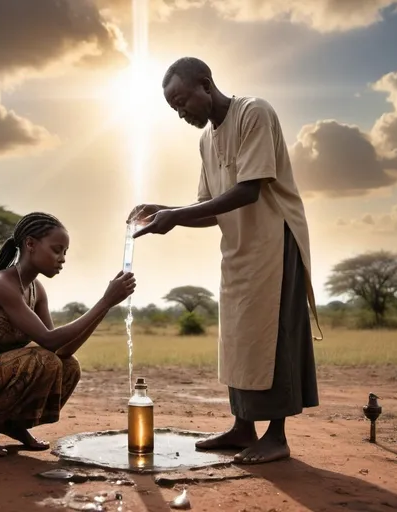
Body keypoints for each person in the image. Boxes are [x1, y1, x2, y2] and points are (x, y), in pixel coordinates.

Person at [128, 57, 322, 465]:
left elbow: (249, 190)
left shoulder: (253, 112)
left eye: (183, 101)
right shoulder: (205, 141)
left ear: (205, 83)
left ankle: (277, 436)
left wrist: (175, 216)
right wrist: (165, 212)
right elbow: (210, 209)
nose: (181, 113)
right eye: (174, 109)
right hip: (237, 249)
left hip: (274, 241)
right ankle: (242, 427)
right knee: (239, 339)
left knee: (273, 335)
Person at [0, 212, 136, 457]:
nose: (62, 259)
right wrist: (104, 301)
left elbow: (62, 350)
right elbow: (48, 340)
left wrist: (106, 306)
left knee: (68, 365)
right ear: (30, 244)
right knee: (42, 360)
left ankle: (15, 425)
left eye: (65, 252)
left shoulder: (36, 290)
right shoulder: (1, 284)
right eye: (56, 250)